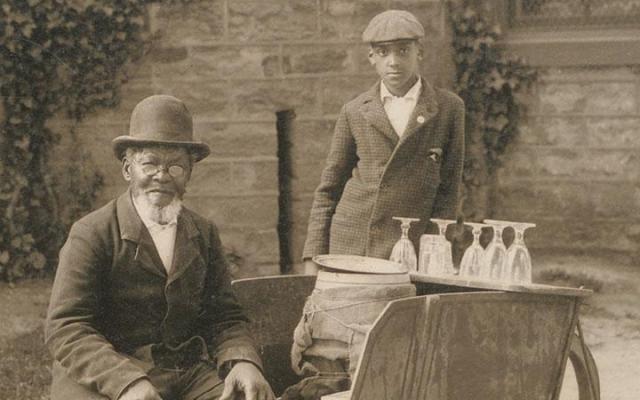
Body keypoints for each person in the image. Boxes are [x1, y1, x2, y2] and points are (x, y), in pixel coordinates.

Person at [45, 95, 275, 400]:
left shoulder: (203, 233)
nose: (162, 177)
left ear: (189, 174)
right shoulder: (91, 233)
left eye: (176, 167)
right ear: (128, 169)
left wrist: (243, 360)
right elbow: (67, 327)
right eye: (149, 163)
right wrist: (127, 383)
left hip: (183, 373)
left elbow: (225, 316)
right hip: (103, 373)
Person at [302, 10, 465, 273]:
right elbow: (328, 189)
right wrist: (313, 255)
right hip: (356, 241)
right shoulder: (355, 111)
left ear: (419, 52)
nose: (393, 62)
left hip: (410, 244)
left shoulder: (448, 108)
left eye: (403, 51)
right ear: (371, 58)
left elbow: (449, 189)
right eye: (383, 52)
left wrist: (437, 249)